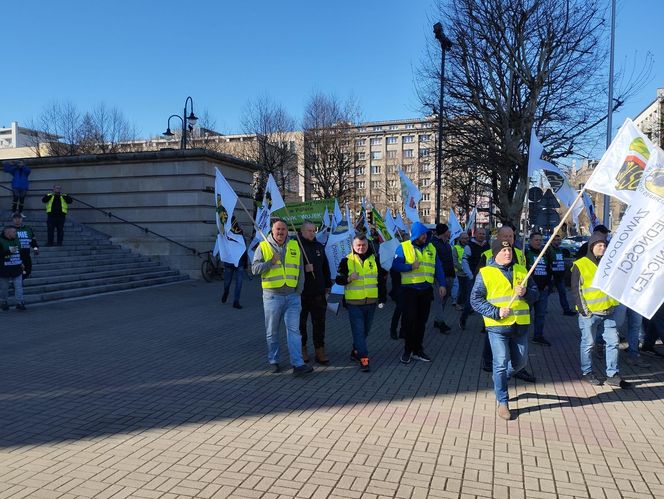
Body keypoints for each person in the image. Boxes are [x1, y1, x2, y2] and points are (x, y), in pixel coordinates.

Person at [471, 239, 538, 420]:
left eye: (509, 250)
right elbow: (475, 300)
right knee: (500, 363)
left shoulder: (523, 271)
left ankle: (499, 379)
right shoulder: (485, 273)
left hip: (521, 326)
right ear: (495, 254)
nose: (507, 253)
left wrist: (526, 293)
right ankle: (502, 401)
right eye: (503, 250)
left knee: (520, 363)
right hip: (497, 327)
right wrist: (496, 311)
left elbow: (535, 293)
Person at [252, 219, 313, 377]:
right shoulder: (263, 246)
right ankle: (273, 360)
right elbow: (254, 269)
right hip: (273, 296)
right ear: (272, 230)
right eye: (277, 229)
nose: (280, 232)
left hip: (292, 297)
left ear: (287, 231)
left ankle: (298, 364)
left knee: (294, 331)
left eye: (283, 229)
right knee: (272, 332)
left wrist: (299, 290)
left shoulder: (294, 245)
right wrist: (271, 262)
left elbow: (300, 270)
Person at [476, 225, 536, 383]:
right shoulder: (487, 254)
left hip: (518, 316)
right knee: (496, 351)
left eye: (511, 236)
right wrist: (492, 310)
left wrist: (526, 292)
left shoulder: (519, 254)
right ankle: (490, 364)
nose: (509, 240)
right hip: (496, 314)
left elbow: (527, 277)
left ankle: (512, 370)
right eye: (505, 237)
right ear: (499, 238)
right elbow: (480, 284)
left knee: (518, 356)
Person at [571, 232, 630, 388]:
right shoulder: (580, 264)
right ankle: (587, 372)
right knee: (588, 343)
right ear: (592, 246)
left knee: (613, 343)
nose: (603, 248)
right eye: (599, 245)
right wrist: (585, 312)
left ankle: (612, 374)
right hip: (589, 314)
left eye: (604, 245)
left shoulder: (608, 263)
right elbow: (576, 290)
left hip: (608, 311)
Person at [392, 222, 447, 364]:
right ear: (416, 235)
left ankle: (418, 350)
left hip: (426, 290)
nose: (425, 236)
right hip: (409, 290)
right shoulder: (403, 247)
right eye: (422, 234)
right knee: (410, 321)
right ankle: (407, 350)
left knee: (421, 322)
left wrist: (442, 284)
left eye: (426, 234)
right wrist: (410, 266)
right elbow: (395, 266)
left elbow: (438, 267)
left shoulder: (431, 247)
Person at [335, 233, 385, 372]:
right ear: (353, 245)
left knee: (365, 330)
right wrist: (349, 278)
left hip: (371, 302)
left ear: (368, 245)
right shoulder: (346, 260)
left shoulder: (374, 259)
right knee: (358, 331)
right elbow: (339, 279)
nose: (361, 248)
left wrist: (382, 298)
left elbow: (380, 280)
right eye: (358, 245)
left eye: (364, 245)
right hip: (354, 303)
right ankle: (364, 358)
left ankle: (355, 350)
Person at [298, 220, 333, 365]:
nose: (312, 233)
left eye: (314, 231)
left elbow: (325, 266)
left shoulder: (319, 246)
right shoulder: (296, 246)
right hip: (301, 292)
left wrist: (327, 284)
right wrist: (304, 269)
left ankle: (320, 350)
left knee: (319, 323)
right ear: (302, 231)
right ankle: (303, 349)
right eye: (309, 231)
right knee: (301, 324)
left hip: (318, 291)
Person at [525, 231, 554, 346]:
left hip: (543, 290)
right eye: (536, 240)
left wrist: (548, 285)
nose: (539, 242)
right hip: (530, 291)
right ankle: (520, 335)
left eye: (540, 240)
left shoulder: (545, 253)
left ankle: (538, 336)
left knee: (540, 315)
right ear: (530, 241)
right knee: (526, 314)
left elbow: (550, 269)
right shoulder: (526, 253)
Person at [459, 227, 490, 330]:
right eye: (480, 233)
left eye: (483, 234)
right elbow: (464, 261)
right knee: (469, 301)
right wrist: (470, 275)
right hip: (473, 278)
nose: (482, 235)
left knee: (486, 301)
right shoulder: (469, 246)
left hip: (486, 278)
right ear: (475, 234)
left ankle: (485, 325)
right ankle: (463, 318)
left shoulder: (488, 246)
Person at [430, 223, 456, 333]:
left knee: (444, 299)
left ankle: (437, 320)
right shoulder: (433, 244)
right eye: (448, 230)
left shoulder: (447, 244)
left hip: (449, 275)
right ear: (444, 232)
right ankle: (441, 323)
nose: (450, 232)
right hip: (439, 277)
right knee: (439, 300)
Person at [221, 216, 246, 310]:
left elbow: (244, 247)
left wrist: (245, 262)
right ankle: (226, 292)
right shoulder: (224, 233)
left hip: (239, 262)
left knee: (239, 283)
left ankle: (236, 301)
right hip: (229, 262)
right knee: (227, 282)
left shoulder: (240, 232)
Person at [0, 226, 26, 311]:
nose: (16, 233)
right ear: (7, 233)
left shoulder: (16, 240)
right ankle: (3, 302)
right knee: (4, 287)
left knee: (18, 286)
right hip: (4, 269)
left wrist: (21, 262)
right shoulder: (1, 241)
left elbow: (20, 252)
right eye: (14, 232)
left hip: (17, 267)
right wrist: (9, 251)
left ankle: (20, 302)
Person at [550, 234, 576, 316]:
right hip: (551, 276)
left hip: (560, 276)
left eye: (559, 240)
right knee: (545, 294)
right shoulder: (549, 250)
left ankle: (566, 310)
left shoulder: (560, 250)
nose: (557, 242)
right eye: (555, 240)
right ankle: (539, 309)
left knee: (563, 293)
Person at [11, 213, 38, 280]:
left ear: (22, 219)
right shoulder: (9, 230)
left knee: (27, 270)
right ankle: (18, 283)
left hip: (26, 255)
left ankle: (20, 280)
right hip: (16, 255)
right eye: (15, 218)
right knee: (18, 271)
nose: (17, 220)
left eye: (19, 218)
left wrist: (35, 248)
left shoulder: (28, 229)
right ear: (13, 220)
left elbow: (33, 242)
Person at [453, 232, 470, 312]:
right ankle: (458, 304)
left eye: (467, 238)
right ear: (460, 239)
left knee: (467, 290)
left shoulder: (470, 246)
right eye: (464, 238)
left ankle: (466, 306)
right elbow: (455, 261)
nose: (466, 240)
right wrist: (463, 268)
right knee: (461, 290)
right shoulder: (455, 248)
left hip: (469, 273)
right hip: (460, 273)